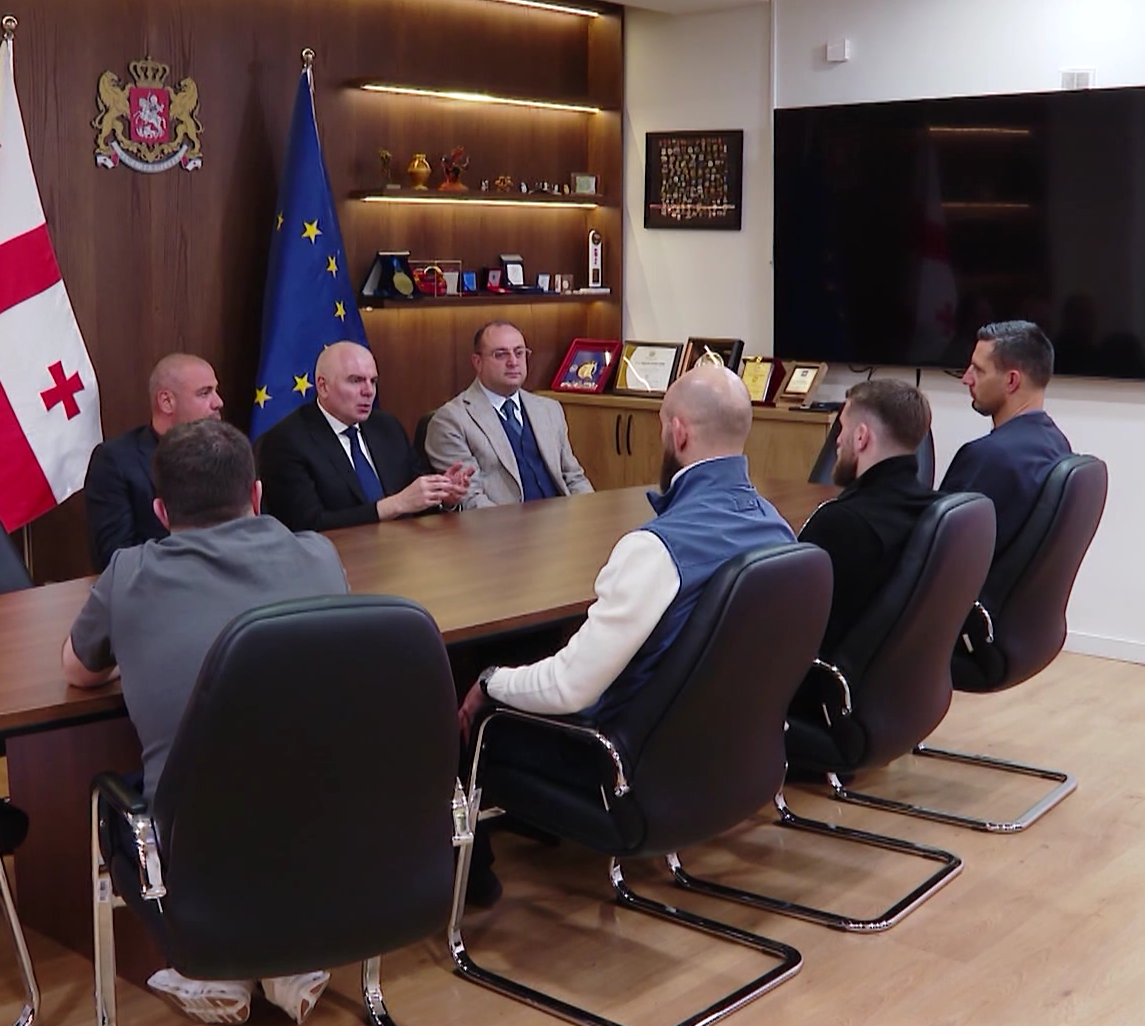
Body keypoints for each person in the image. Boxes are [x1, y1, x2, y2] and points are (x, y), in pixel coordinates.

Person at [455, 365, 795, 904]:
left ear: (678, 432)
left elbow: (569, 688)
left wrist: (488, 682)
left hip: (625, 773)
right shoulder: (776, 528)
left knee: (473, 709)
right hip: (727, 760)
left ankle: (464, 889)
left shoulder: (657, 549)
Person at [62, 418, 349, 1026]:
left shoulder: (130, 572)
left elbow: (78, 670)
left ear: (162, 511)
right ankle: (284, 951)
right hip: (326, 827)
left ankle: (216, 963)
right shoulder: (319, 555)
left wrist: (137, 647)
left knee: (133, 801)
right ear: (257, 495)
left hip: (194, 845)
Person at [794, 380, 941, 669]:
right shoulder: (937, 512)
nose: (838, 441)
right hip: (898, 676)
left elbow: (786, 620)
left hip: (823, 682)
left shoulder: (840, 524)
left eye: (842, 429)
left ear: (861, 437)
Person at [258, 340, 471, 531]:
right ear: (323, 387)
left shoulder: (387, 427)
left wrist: (444, 497)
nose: (368, 391)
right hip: (337, 556)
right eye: (356, 380)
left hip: (402, 550)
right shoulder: (287, 441)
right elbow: (307, 525)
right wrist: (393, 505)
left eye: (373, 381)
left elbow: (416, 502)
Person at [423, 321, 592, 508]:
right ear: (478, 362)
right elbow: (471, 499)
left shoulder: (549, 409)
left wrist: (592, 513)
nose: (513, 362)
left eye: (519, 353)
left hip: (564, 519)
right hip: (502, 523)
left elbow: (574, 478)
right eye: (501, 354)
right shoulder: (450, 421)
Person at [82, 352, 224, 571]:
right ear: (166, 402)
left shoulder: (230, 451)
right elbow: (115, 558)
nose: (218, 402)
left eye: (215, 391)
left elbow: (257, 528)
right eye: (204, 393)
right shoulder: (115, 461)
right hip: (163, 586)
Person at [941, 320, 1073, 552]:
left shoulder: (988, 456)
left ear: (1011, 380)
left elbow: (937, 546)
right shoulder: (1058, 442)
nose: (966, 378)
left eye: (978, 370)